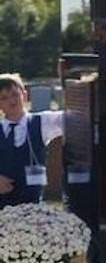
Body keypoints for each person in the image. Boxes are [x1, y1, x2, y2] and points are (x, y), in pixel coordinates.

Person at [0, 73, 64, 207]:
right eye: (4, 98)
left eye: (15, 94)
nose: (12, 100)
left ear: (25, 95)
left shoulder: (42, 122)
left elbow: (75, 118)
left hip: (32, 207)